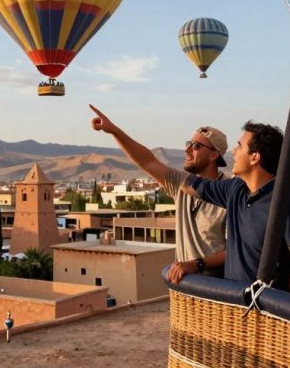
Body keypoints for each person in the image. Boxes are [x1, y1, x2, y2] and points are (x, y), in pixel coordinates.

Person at [89, 105, 227, 283]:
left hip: (216, 288)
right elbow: (147, 161)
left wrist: (195, 264)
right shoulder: (182, 184)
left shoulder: (229, 194)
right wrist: (114, 131)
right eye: (188, 144)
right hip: (185, 285)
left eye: (196, 146)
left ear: (214, 155)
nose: (187, 150)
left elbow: (235, 251)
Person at [180, 122, 290, 285]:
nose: (233, 152)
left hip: (268, 306)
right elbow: (190, 184)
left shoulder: (289, 201)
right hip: (234, 304)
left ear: (255, 157)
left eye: (239, 146)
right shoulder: (236, 189)